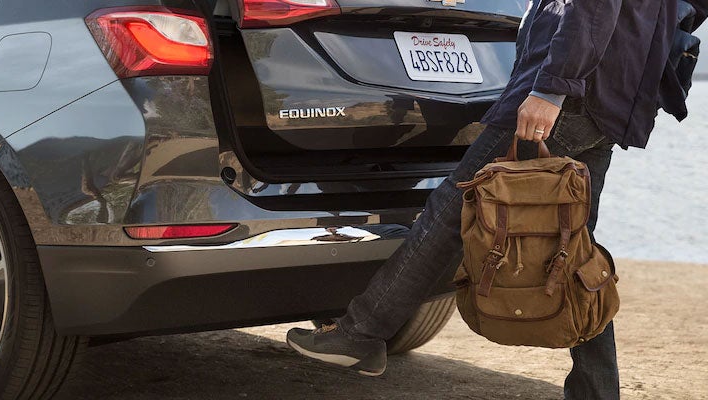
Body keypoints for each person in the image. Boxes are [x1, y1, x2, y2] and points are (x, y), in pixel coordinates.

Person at [286, 0, 706, 398]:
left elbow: (590, 9)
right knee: (576, 249)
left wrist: (551, 89)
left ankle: (362, 334)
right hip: (612, 100)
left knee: (453, 212)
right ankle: (596, 393)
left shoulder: (562, 87)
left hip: (570, 99)